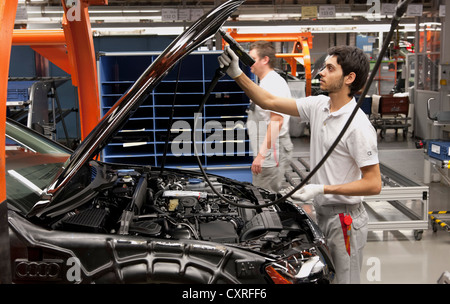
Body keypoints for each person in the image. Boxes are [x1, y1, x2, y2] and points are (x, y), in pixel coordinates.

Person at [218, 45, 382, 284]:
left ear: (349, 78)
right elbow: (268, 100)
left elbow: (373, 184)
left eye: (329, 68)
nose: (321, 73)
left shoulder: (358, 125)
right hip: (323, 214)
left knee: (345, 280)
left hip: (345, 222)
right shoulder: (319, 106)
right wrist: (237, 73)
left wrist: (323, 189)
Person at [246, 41, 293, 193]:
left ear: (264, 60)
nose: (249, 63)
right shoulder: (265, 82)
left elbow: (276, 121)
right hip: (268, 147)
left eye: (252, 58)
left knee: (265, 195)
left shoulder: (273, 83)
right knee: (264, 191)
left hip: (272, 148)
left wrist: (262, 155)